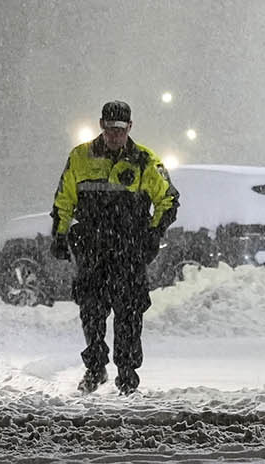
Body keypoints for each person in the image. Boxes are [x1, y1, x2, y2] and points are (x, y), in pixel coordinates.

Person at [51, 100, 177, 395]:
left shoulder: (145, 161)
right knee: (91, 312)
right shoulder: (80, 157)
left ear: (130, 127)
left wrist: (152, 234)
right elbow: (63, 200)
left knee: (129, 313)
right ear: (101, 126)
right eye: (110, 129)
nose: (115, 135)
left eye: (120, 129)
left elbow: (168, 200)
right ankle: (95, 368)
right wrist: (59, 234)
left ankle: (127, 374)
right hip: (92, 251)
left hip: (129, 252)